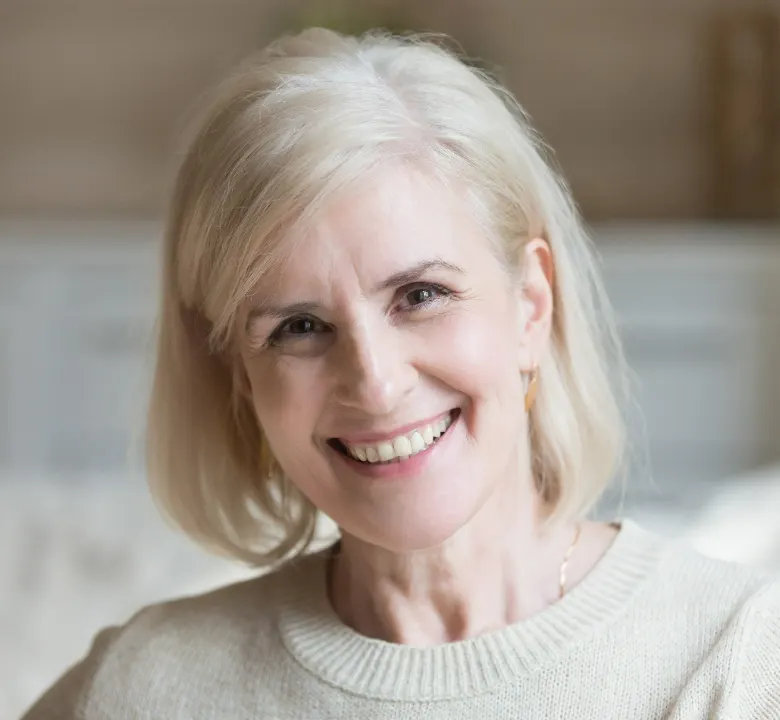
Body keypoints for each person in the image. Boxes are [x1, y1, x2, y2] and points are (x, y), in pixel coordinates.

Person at [22, 28, 779, 719]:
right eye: (299, 328)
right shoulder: (144, 687)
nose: (377, 385)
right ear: (242, 377)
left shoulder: (733, 662)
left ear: (529, 306)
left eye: (421, 296)